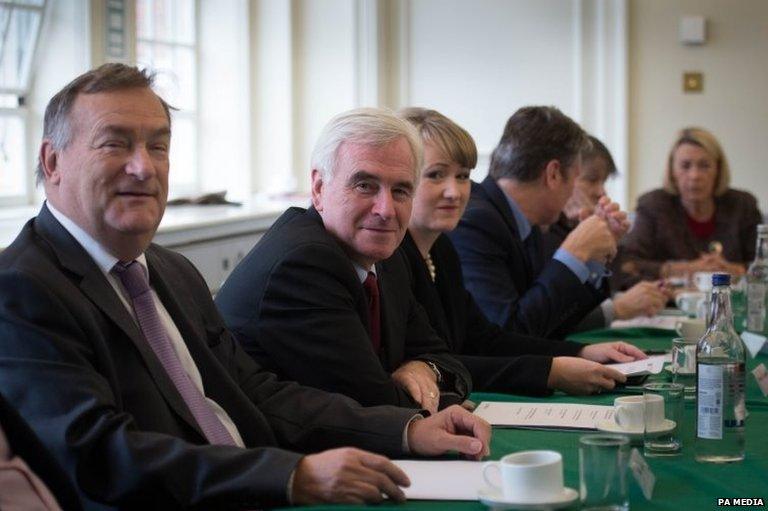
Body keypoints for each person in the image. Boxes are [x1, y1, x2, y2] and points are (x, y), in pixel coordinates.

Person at [0, 64, 490, 510]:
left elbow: (256, 392)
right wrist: (291, 476)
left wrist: (407, 430)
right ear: (52, 161)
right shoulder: (22, 286)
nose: (144, 167)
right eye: (115, 143)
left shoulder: (171, 270)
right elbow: (98, 456)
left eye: (159, 145)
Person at [216, 108, 471, 414]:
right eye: (365, 185)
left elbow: (446, 358)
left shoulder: (384, 254)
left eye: (401, 190)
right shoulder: (302, 266)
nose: (386, 210)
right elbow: (377, 403)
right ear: (319, 188)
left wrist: (424, 368)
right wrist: (437, 393)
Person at [398, 107, 645, 396]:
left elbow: (486, 338)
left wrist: (581, 352)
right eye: (436, 175)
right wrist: (551, 372)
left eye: (463, 176)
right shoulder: (468, 225)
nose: (455, 191)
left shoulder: (442, 249)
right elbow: (445, 357)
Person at [449, 106, 630, 339]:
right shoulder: (476, 223)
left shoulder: (529, 222)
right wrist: (574, 254)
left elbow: (553, 322)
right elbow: (506, 334)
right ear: (553, 174)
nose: (574, 190)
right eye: (575, 178)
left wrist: (593, 258)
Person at [542, 135, 670, 328]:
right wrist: (619, 309)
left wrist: (608, 244)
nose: (601, 192)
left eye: (603, 181)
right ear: (558, 176)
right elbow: (549, 320)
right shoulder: (544, 229)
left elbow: (606, 291)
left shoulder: (574, 224)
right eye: (592, 180)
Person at [621, 127, 762, 285]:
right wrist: (684, 268)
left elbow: (762, 264)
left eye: (704, 166)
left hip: (733, 303)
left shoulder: (743, 205)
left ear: (718, 169)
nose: (694, 176)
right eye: (685, 166)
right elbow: (626, 264)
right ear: (672, 171)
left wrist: (734, 270)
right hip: (669, 304)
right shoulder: (653, 205)